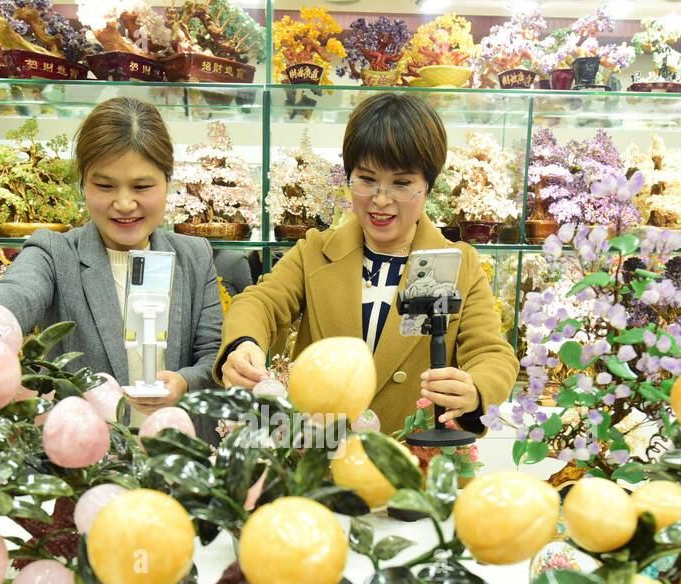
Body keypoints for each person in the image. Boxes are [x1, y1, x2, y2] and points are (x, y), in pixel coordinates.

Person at [216, 92, 518, 435]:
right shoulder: (314, 252)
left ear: (428, 187)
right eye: (367, 179)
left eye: (402, 184)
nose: (381, 199)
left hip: (414, 463)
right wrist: (243, 344)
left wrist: (474, 389)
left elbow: (492, 353)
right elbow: (260, 302)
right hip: (323, 458)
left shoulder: (459, 263)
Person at [0, 97, 222, 427]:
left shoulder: (194, 257)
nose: (123, 203)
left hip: (175, 455)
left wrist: (184, 382)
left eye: (142, 186)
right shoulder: (55, 252)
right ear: (84, 184)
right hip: (85, 464)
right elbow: (20, 290)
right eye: (104, 186)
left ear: (167, 183)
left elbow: (213, 354)